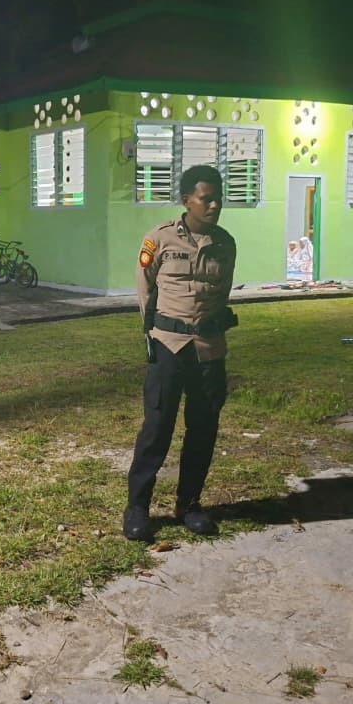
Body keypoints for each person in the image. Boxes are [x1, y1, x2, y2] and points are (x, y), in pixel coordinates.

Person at [124, 164, 237, 542]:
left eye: (218, 198)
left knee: (203, 429)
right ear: (187, 200)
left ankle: (189, 505)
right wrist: (153, 335)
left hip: (209, 349)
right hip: (169, 346)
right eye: (207, 199)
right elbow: (145, 291)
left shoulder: (225, 244)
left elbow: (221, 294)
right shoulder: (160, 239)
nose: (215, 205)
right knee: (157, 429)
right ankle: (137, 507)